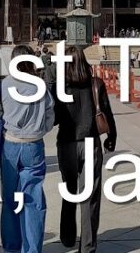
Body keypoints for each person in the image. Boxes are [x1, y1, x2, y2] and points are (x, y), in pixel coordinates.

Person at [0, 44, 55, 253]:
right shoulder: (41, 86)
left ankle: (11, 248)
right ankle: (32, 249)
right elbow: (49, 116)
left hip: (10, 144)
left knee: (10, 200)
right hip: (34, 146)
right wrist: (39, 129)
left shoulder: (3, 84)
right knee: (33, 201)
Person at [53, 47, 117, 253]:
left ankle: (68, 235)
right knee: (90, 196)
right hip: (90, 142)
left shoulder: (60, 87)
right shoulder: (96, 84)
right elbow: (106, 112)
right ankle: (87, 245)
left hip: (67, 143)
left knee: (69, 189)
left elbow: (53, 118)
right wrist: (111, 138)